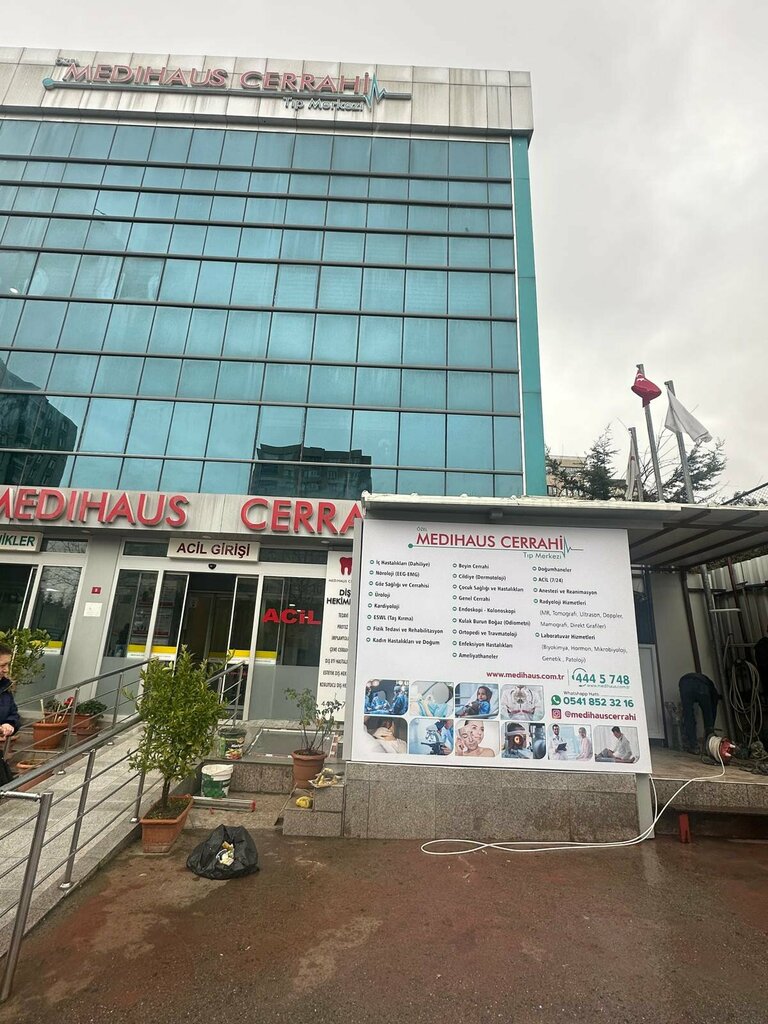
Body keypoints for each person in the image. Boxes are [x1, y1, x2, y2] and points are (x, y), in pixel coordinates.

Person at [678, 672, 719, 754]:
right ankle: (709, 748)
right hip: (701, 685)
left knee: (688, 715)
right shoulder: (712, 690)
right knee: (708, 715)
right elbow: (712, 710)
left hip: (684, 683)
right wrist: (710, 726)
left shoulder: (709, 685)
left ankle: (694, 747)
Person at [0, 643, 21, 741]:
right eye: (2, 665)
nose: (6, 670)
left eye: (7, 664)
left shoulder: (5, 688)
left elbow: (14, 714)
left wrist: (9, 724)